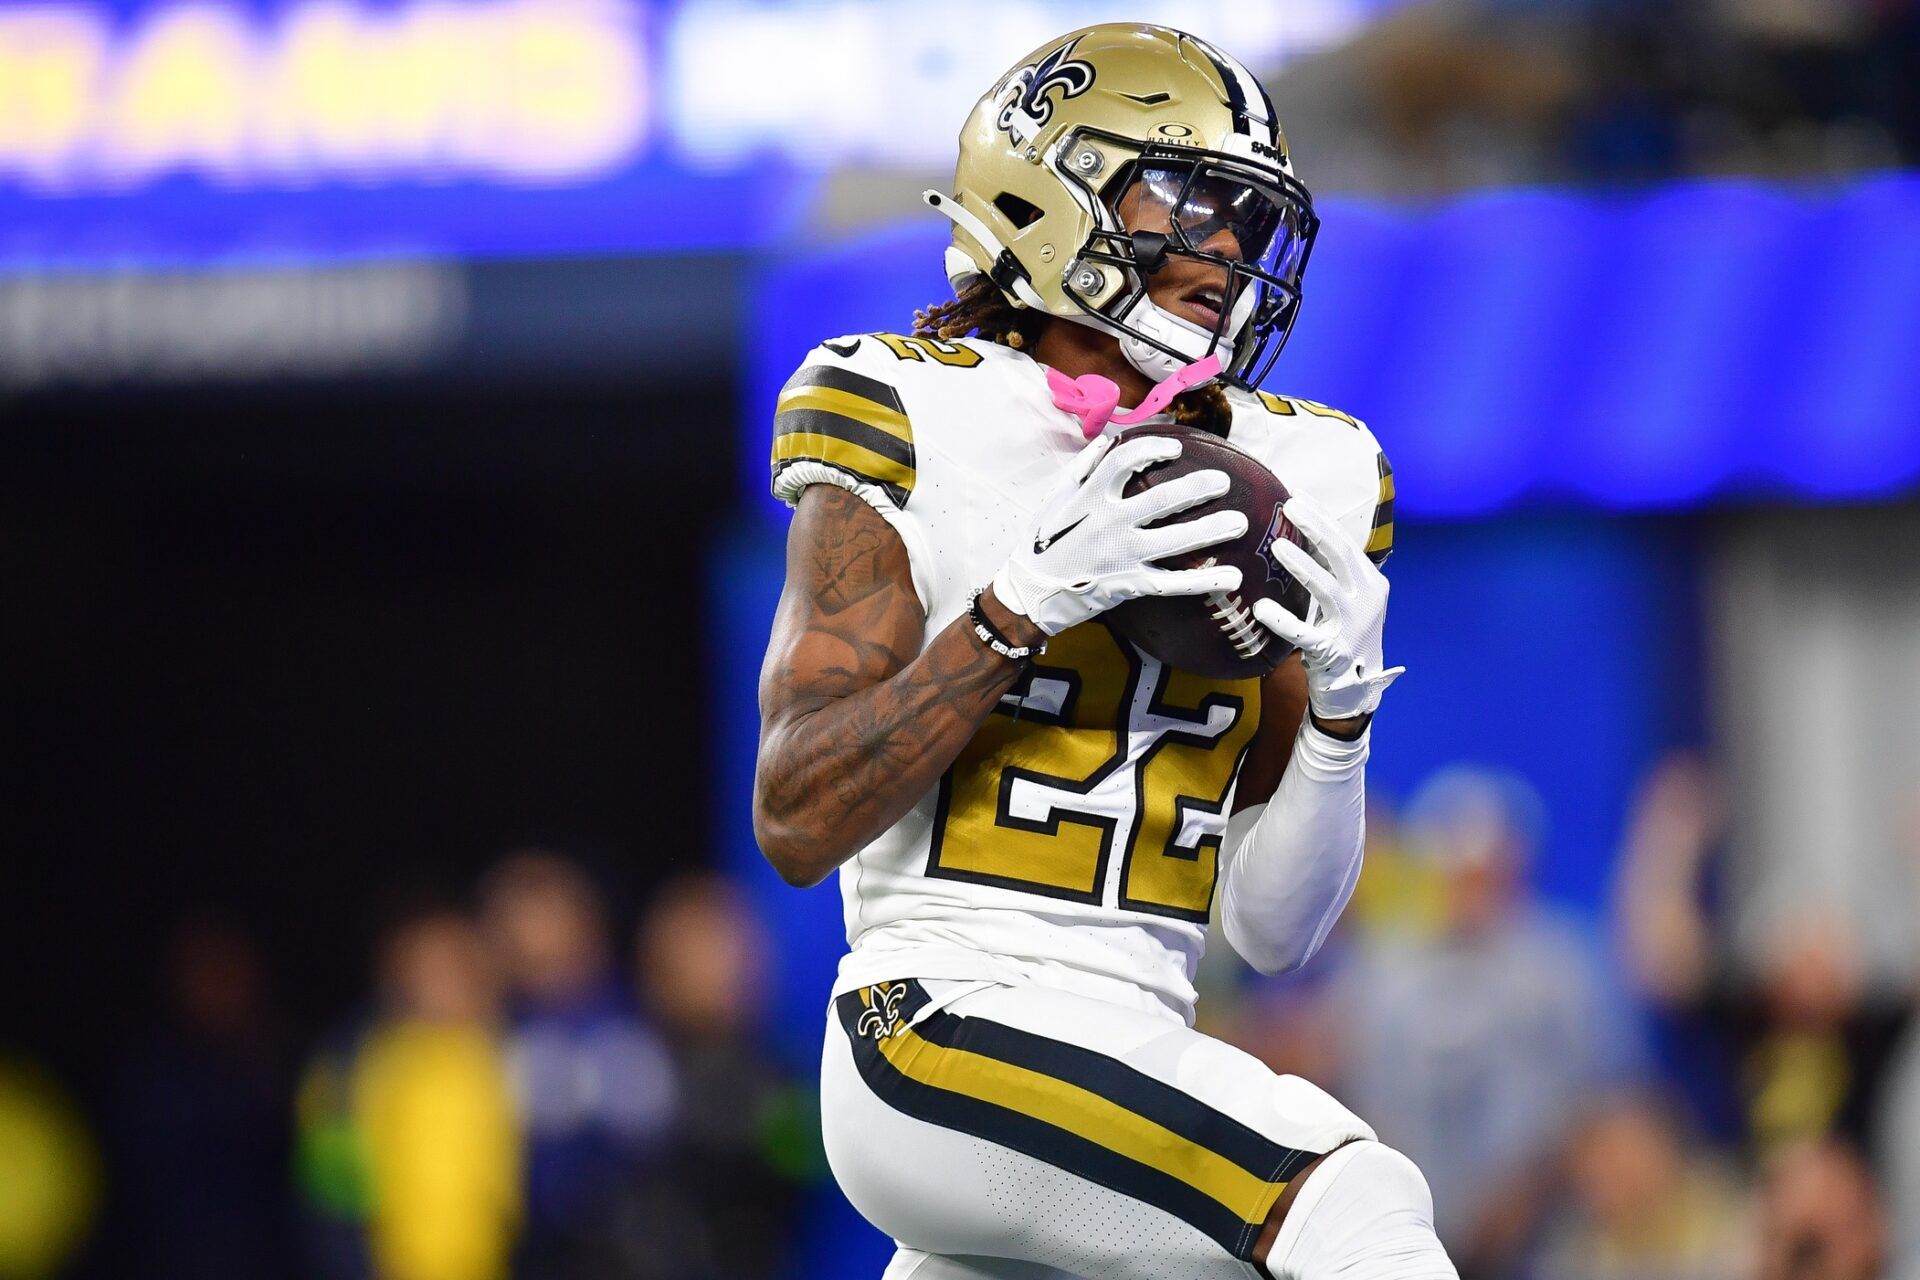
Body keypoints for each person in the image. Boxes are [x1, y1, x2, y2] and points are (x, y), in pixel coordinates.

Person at [754, 23, 1446, 1280]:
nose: (1228, 246)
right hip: (937, 1021)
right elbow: (796, 817)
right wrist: (1018, 607)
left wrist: (1343, 717)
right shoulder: (909, 408)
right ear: (1048, 191)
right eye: (1192, 196)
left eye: (1246, 214)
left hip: (1124, 1050)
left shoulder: (1302, 473)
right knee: (1348, 1200)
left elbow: (1274, 932)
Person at [1334, 766, 1641, 1273]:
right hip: (1407, 1221)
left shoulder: (1563, 966)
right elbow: (1359, 1094)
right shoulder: (1379, 972)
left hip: (1548, 1227)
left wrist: (1530, 1188)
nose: (1473, 888)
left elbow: (1602, 1097)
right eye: (1458, 872)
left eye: (1487, 870)